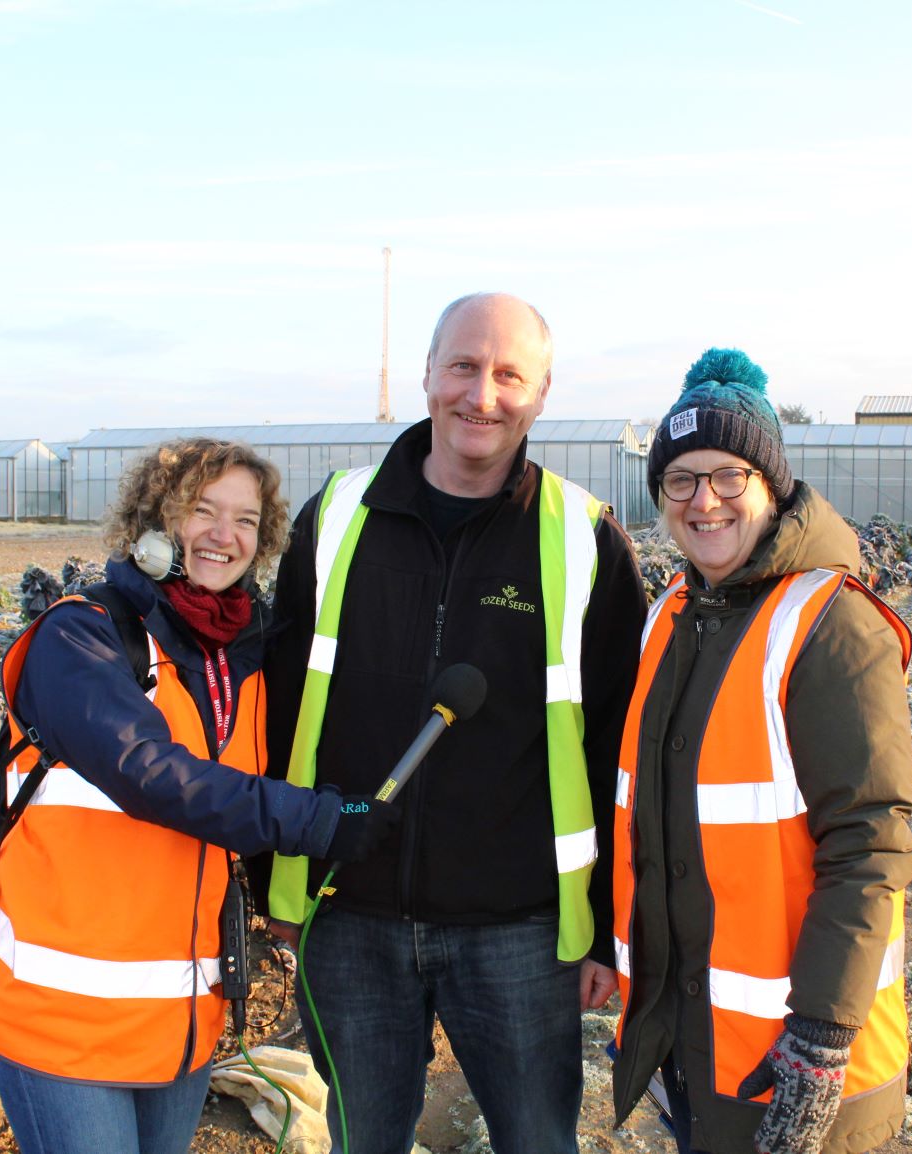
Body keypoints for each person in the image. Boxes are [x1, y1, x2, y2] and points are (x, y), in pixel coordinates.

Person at [261, 292, 648, 1154]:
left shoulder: (586, 539)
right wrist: (275, 882)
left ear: (541, 394)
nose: (483, 394)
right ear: (425, 376)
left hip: (520, 931)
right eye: (465, 367)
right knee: (367, 1140)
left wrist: (611, 929)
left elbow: (620, 749)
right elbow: (281, 702)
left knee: (538, 1141)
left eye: (510, 374)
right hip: (348, 914)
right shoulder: (334, 519)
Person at [0, 438, 399, 1154]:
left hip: (179, 1023)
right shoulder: (84, 635)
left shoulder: (238, 659)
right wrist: (320, 821)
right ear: (157, 517)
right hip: (62, 1022)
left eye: (246, 520)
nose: (223, 536)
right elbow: (148, 772)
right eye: (203, 511)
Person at [609, 349, 912, 1154]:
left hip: (798, 1058)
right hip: (699, 1043)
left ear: (770, 483)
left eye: (728, 475)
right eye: (681, 479)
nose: (703, 500)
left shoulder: (830, 623)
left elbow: (871, 841)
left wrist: (819, 1041)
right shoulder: (675, 611)